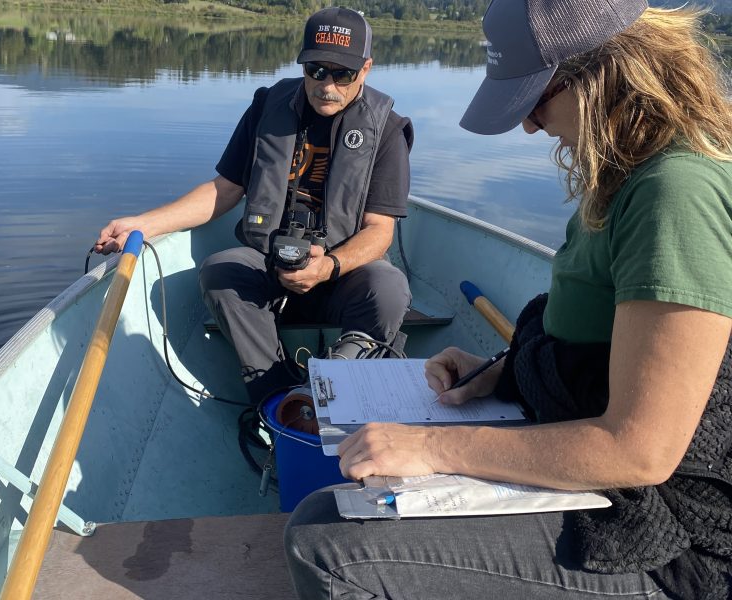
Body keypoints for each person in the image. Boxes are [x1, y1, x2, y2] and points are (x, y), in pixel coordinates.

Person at [284, 1, 732, 598]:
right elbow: (596, 340)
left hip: (664, 531)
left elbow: (641, 452)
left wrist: (434, 446)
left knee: (326, 543)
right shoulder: (628, 176)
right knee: (335, 509)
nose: (528, 126)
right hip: (602, 466)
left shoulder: (675, 192)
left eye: (535, 100)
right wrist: (504, 370)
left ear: (602, 71)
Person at [94, 7, 413, 403]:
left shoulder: (387, 129)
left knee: (389, 287)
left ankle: (346, 388)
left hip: (339, 272)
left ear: (366, 69)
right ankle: (280, 397)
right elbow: (225, 189)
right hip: (267, 265)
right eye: (315, 70)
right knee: (220, 271)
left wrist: (328, 266)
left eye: (342, 74)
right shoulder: (267, 107)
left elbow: (380, 231)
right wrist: (141, 225)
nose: (326, 85)